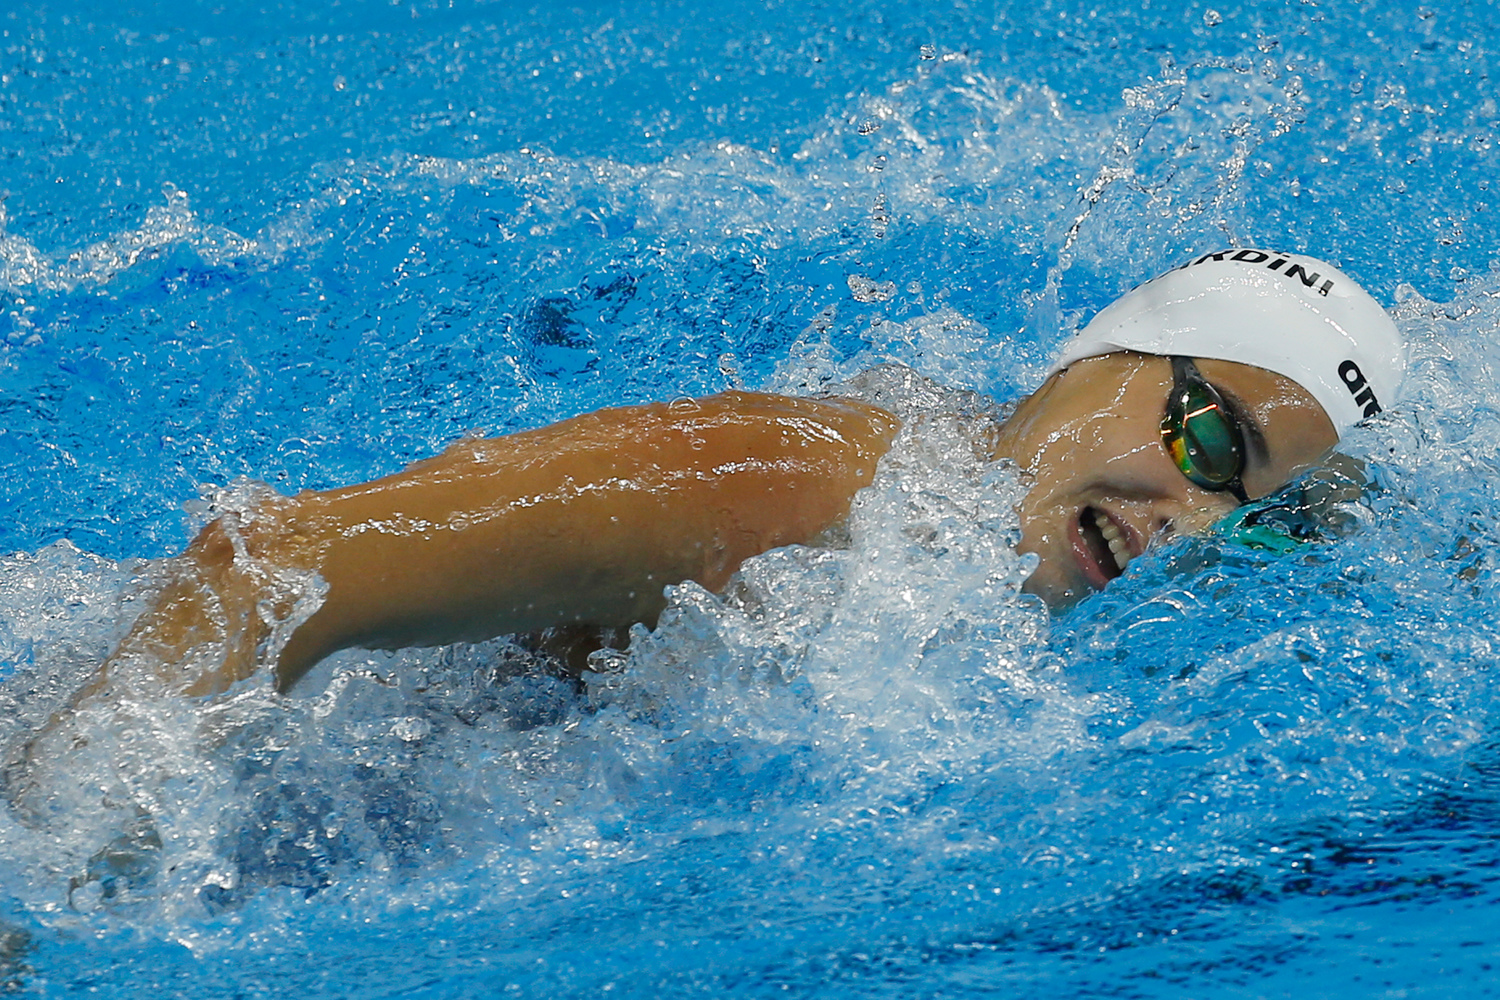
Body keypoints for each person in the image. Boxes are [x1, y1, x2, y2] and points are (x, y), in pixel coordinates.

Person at [73, 249, 1407, 704]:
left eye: (1259, 519)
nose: (1197, 522)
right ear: (1090, 360)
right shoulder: (806, 481)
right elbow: (264, 570)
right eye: (1210, 440)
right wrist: (54, 865)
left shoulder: (960, 582)